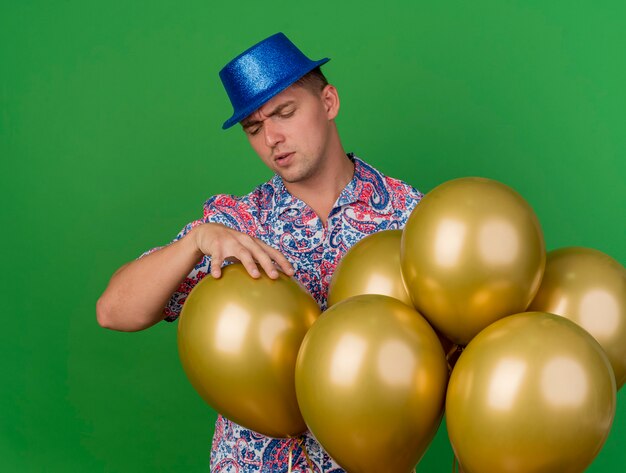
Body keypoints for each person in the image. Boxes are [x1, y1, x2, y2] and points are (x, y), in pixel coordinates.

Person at [97, 32, 423, 472]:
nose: (272, 137)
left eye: (285, 113)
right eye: (254, 127)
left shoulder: (410, 218)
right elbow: (114, 312)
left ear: (328, 102)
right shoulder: (234, 225)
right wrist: (195, 242)